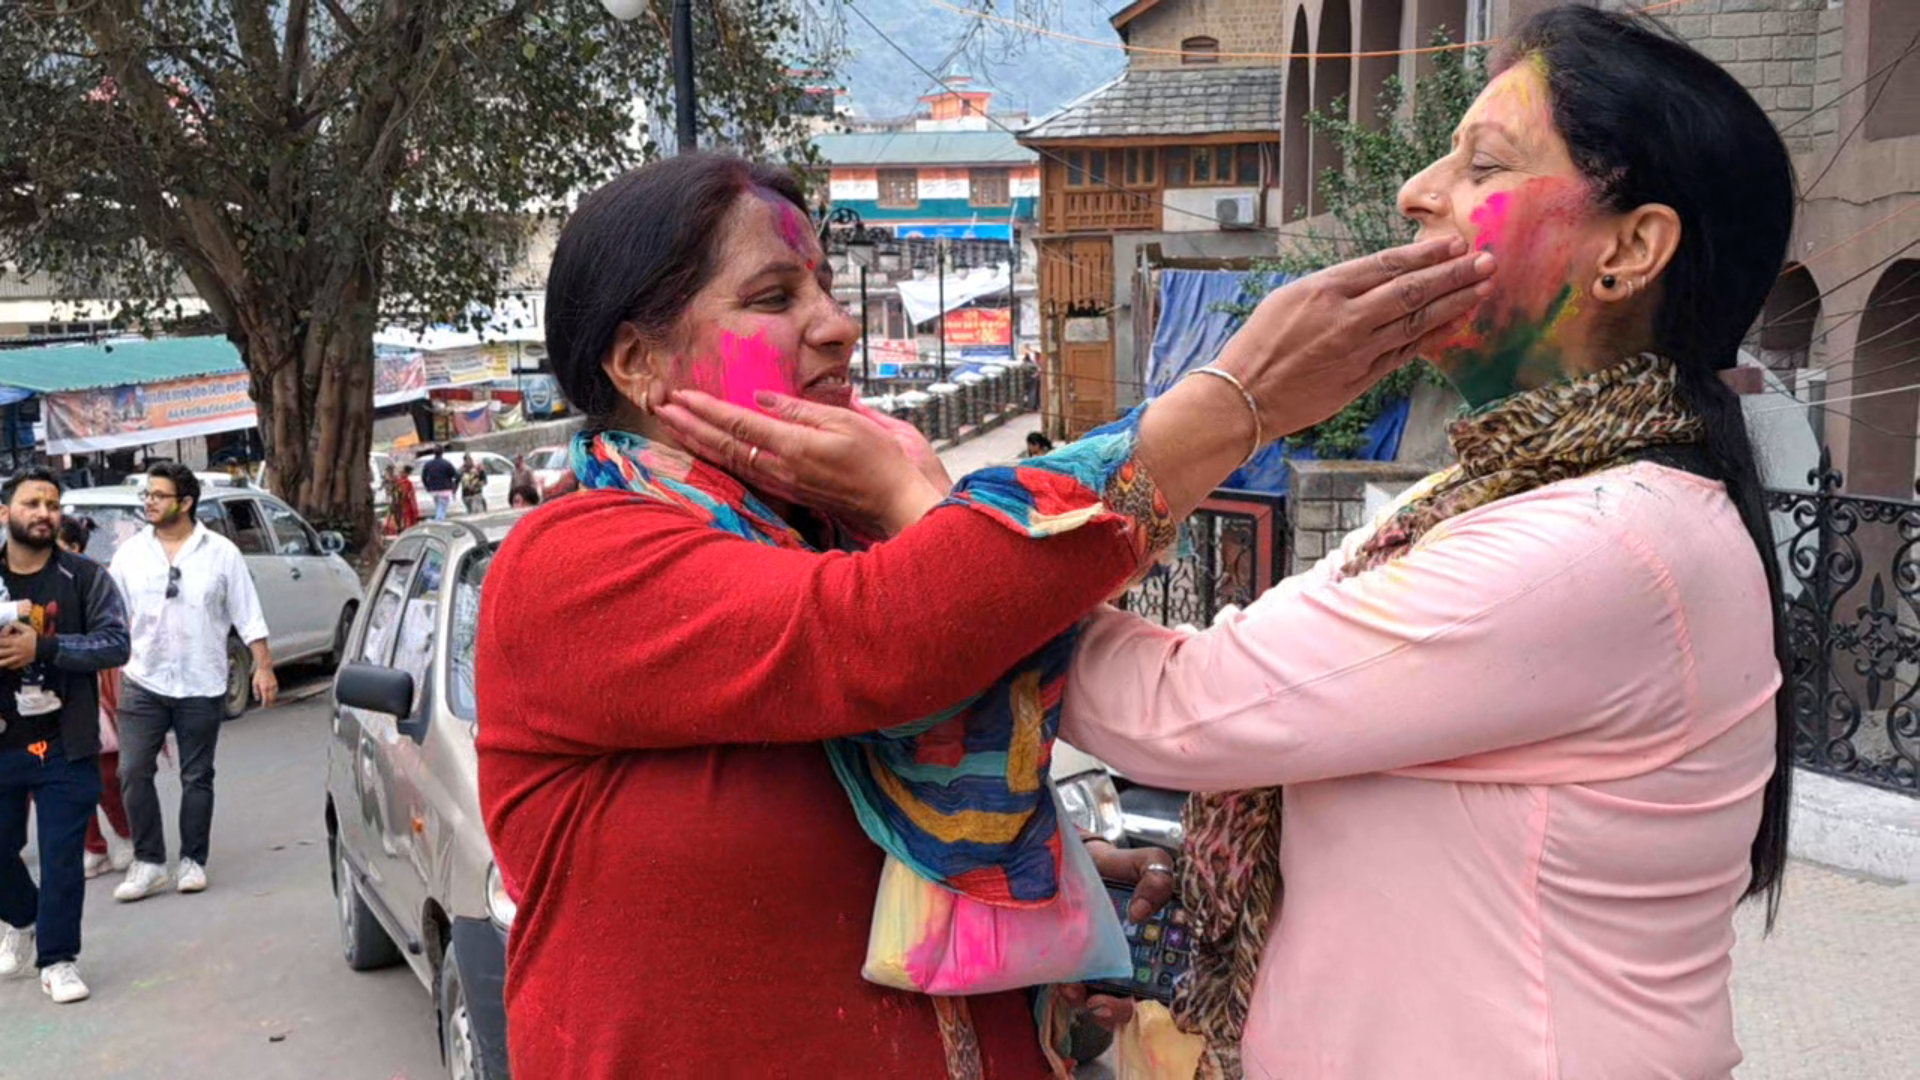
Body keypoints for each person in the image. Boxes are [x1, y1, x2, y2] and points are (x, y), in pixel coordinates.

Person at [760, 10, 1795, 1078]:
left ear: (1630, 249)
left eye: (1482, 162)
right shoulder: (1507, 489)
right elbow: (1268, 659)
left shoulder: (1603, 544)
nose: (1416, 191)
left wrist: (931, 514)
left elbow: (1185, 706)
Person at [474, 153, 1489, 1079]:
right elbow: (878, 640)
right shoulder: (573, 565)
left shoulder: (834, 537)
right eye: (777, 297)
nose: (836, 323)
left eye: (827, 286)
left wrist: (1039, 890)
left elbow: (839, 812)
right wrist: (1233, 404)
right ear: (637, 365)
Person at [107, 463, 276, 902]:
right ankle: (148, 863)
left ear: (185, 503)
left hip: (201, 681)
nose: (149, 502)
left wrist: (263, 666)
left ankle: (192, 860)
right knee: (132, 770)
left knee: (196, 774)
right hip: (143, 678)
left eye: (159, 495)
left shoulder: (221, 553)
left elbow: (247, 613)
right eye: (147, 494)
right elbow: (109, 617)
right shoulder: (129, 555)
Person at [0, 468, 131, 1005]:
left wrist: (45, 650)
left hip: (64, 741)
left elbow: (115, 643)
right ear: (6, 512)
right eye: (32, 502)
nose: (44, 513)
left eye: (52, 504)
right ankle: (22, 917)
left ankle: (57, 959)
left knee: (60, 857)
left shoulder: (84, 577)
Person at [54, 518, 133, 880]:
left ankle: (127, 834)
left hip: (95, 690)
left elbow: (113, 637)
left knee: (105, 775)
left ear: (77, 548)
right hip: (48, 695)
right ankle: (93, 847)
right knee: (66, 780)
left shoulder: (94, 579)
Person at [383, 463, 422, 537]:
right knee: (403, 518)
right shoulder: (405, 482)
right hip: (403, 503)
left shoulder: (398, 481)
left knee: (399, 517)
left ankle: (399, 529)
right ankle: (402, 530)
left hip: (398, 503)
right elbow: (409, 495)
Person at [420, 447, 458, 520]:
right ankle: (438, 521)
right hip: (444, 489)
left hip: (433, 490)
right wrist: (453, 484)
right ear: (442, 452)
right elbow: (455, 475)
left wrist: (427, 486)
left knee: (438, 505)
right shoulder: (446, 463)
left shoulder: (428, 464)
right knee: (442, 507)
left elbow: (423, 477)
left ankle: (438, 519)